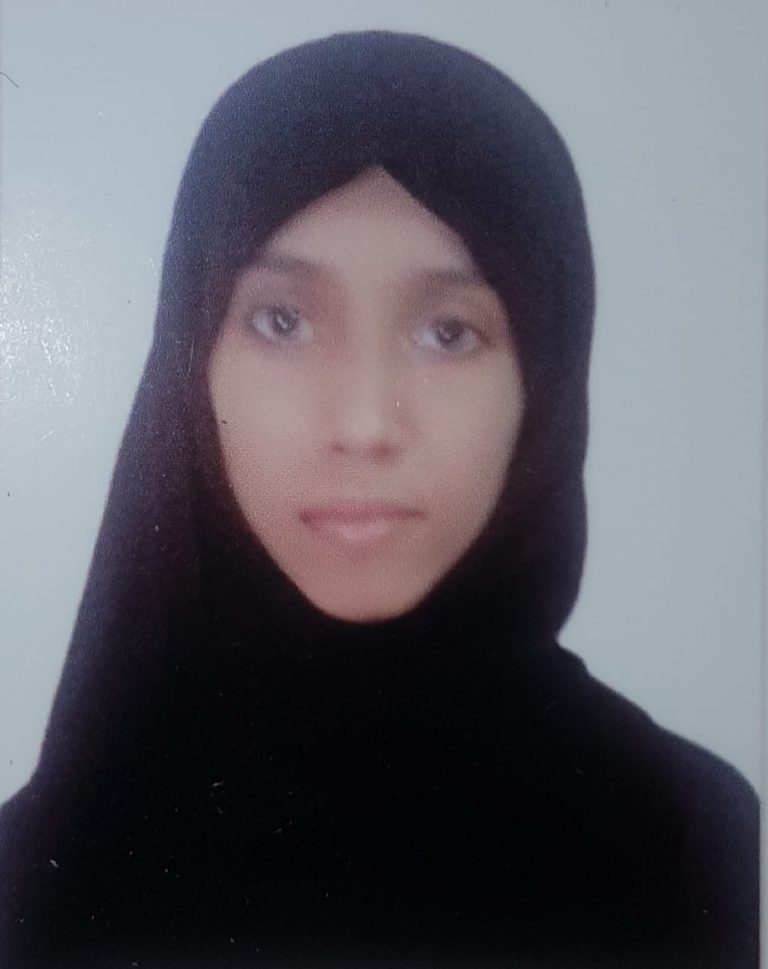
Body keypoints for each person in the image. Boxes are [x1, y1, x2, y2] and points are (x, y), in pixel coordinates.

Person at [0, 31, 758, 969]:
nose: (363, 423)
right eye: (282, 320)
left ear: (546, 376)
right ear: (191, 364)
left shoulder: (688, 842)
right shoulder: (48, 870)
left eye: (448, 332)